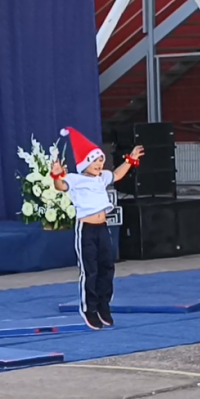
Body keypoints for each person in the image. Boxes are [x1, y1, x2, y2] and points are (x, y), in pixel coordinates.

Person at [51, 127, 143, 331]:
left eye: (101, 161)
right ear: (85, 163)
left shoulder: (101, 178)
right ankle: (89, 308)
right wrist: (56, 175)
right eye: (95, 161)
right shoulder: (75, 179)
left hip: (103, 228)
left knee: (107, 267)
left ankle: (104, 304)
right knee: (90, 270)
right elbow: (61, 186)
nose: (99, 165)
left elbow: (117, 175)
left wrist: (130, 160)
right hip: (86, 230)